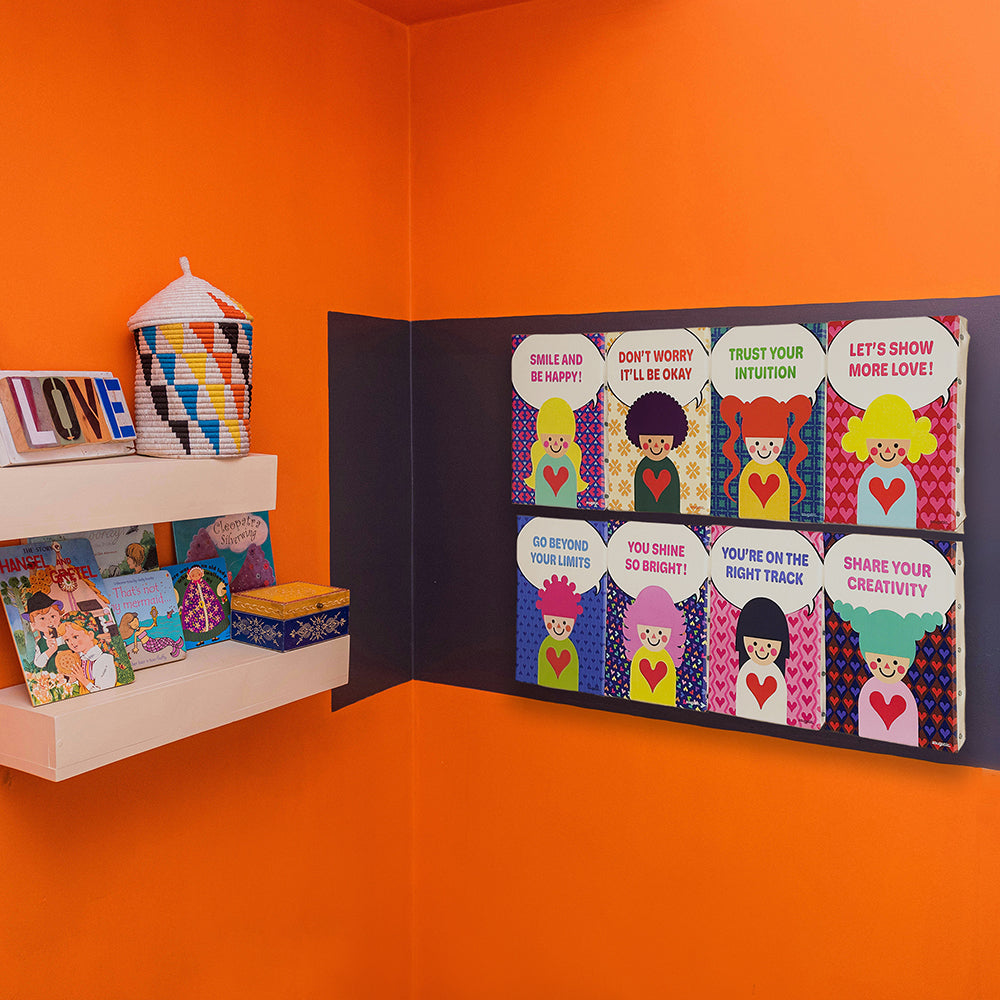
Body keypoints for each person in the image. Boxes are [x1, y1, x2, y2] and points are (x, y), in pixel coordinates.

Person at [834, 601, 942, 746]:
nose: (886, 667)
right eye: (877, 660)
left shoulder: (905, 693)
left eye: (896, 663)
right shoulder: (867, 689)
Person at [840, 393, 937, 528]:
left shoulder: (906, 477)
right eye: (879, 445)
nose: (887, 451)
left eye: (896, 445)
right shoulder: (868, 475)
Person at [719, 395, 812, 519]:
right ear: (746, 443)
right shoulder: (747, 472)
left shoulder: (780, 473)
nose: (764, 449)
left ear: (782, 443)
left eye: (772, 444)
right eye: (756, 443)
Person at [624, 391, 688, 513]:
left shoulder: (670, 468)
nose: (656, 446)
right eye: (649, 441)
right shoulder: (642, 467)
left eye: (663, 441)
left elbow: (674, 502)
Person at [623, 585, 685, 706]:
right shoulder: (638, 656)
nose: (653, 637)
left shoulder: (667, 659)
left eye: (661, 633)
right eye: (646, 631)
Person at [734, 597, 789, 724]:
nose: (762, 650)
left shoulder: (777, 674)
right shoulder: (745, 670)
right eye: (754, 644)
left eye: (769, 645)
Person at [524, 397, 588, 507]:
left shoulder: (571, 462)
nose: (555, 444)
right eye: (549, 439)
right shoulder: (540, 461)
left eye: (562, 440)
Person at [535, 575, 582, 690]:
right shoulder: (545, 645)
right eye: (552, 621)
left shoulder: (571, 648)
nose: (559, 627)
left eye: (565, 623)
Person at [60, 612, 119, 692]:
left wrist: (82, 679)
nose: (71, 643)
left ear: (90, 635)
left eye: (75, 637)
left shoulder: (104, 660)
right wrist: (73, 679)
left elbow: (105, 691)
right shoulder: (78, 660)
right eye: (67, 640)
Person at [22, 591, 67, 671]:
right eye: (42, 618)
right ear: (34, 624)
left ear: (59, 616)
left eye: (52, 616)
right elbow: (38, 663)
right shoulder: (40, 643)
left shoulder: (67, 636)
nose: (49, 621)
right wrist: (50, 650)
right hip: (54, 677)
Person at [118, 611, 184, 658]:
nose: (135, 624)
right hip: (147, 645)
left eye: (136, 621)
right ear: (129, 626)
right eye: (133, 623)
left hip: (151, 640)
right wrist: (135, 648)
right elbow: (135, 642)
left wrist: (153, 622)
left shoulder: (142, 628)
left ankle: (176, 644)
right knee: (163, 642)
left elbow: (149, 627)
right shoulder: (136, 633)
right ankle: (175, 648)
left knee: (165, 639)